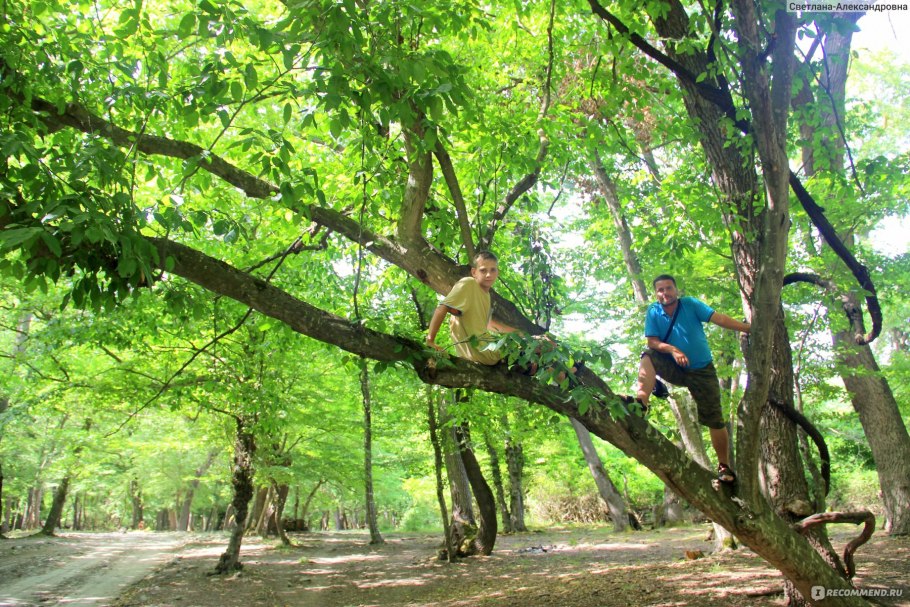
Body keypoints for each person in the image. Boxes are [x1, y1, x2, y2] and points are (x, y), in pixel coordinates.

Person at [629, 274, 750, 484]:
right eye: (660, 290)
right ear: (656, 293)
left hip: (702, 371)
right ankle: (641, 402)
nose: (665, 293)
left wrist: (747, 328)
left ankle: (724, 466)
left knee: (714, 418)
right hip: (675, 367)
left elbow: (719, 319)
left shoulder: (691, 304)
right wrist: (673, 350)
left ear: (676, 289)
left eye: (668, 288)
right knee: (648, 355)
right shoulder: (654, 311)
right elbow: (652, 341)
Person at [425, 250, 515, 365]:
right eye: (483, 270)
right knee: (531, 350)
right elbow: (442, 307)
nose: (489, 275)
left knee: (529, 351)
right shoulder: (469, 283)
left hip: (486, 353)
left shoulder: (487, 296)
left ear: (498, 272)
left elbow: (488, 324)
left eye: (493, 270)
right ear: (474, 272)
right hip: (483, 352)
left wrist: (519, 333)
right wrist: (430, 340)